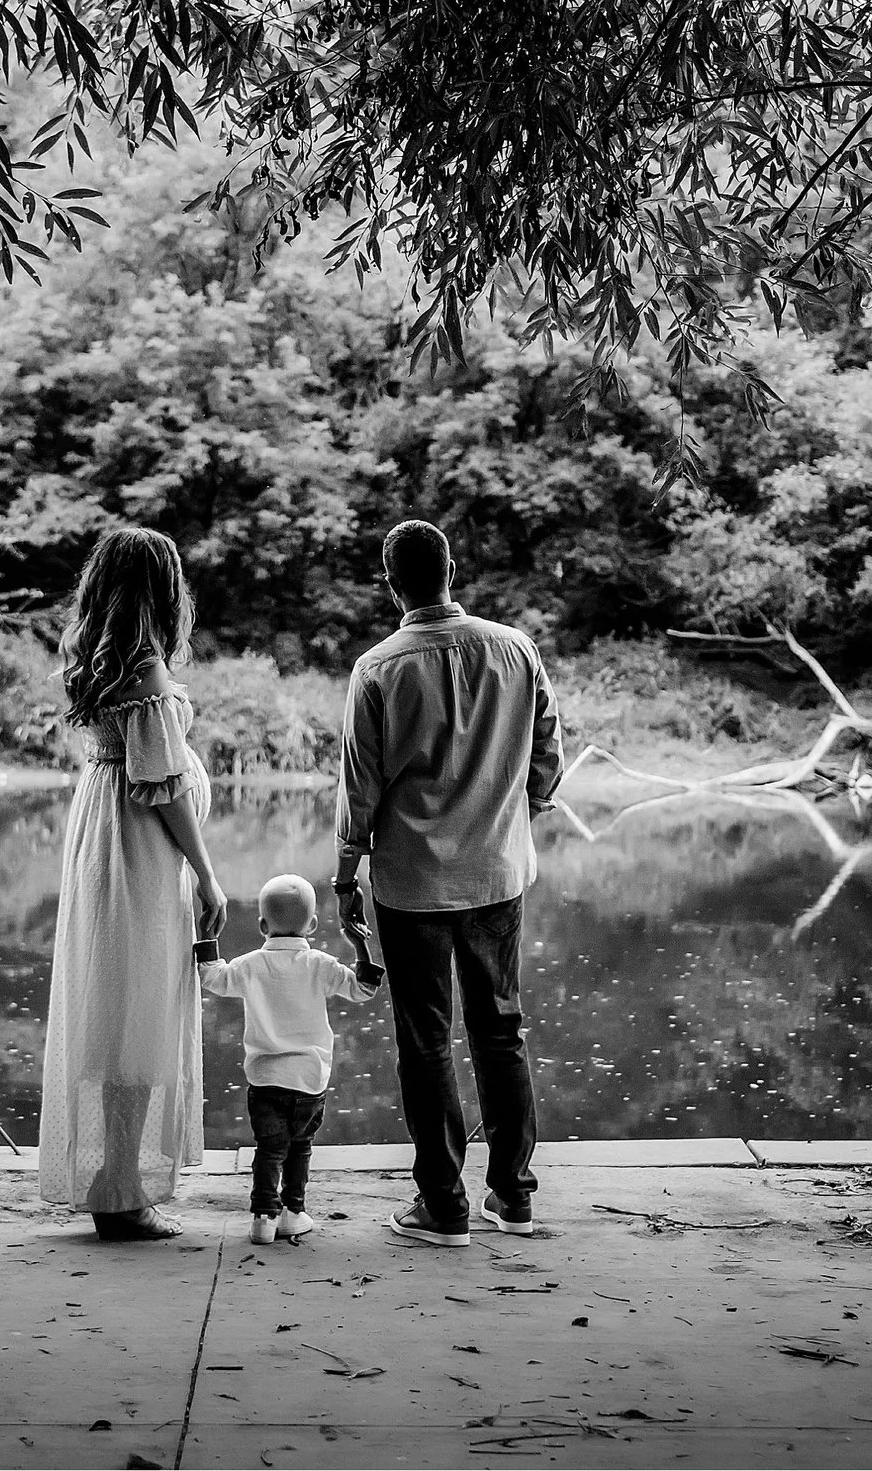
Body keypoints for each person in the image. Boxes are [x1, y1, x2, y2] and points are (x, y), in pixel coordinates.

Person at [334, 520, 564, 1247]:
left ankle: (443, 1206)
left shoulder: (377, 669)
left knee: (426, 1043)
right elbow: (549, 750)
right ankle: (514, 1198)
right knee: (502, 1032)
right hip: (497, 874)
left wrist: (345, 878)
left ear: (392, 585)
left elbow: (359, 791)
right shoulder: (517, 647)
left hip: (411, 887)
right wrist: (519, 812)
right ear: (452, 570)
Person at [37, 525, 229, 1241]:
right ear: (161, 588)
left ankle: (111, 1178)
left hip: (99, 838)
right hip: (140, 853)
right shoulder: (143, 670)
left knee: (112, 1006)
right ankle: (120, 1189)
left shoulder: (85, 654)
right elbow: (165, 784)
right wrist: (208, 875)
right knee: (140, 1012)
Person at [198, 874, 384, 1244]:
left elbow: (213, 978)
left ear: (262, 925)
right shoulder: (321, 964)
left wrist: (209, 933)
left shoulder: (250, 965)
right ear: (313, 925)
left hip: (265, 1081)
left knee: (269, 1152)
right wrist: (359, 945)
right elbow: (364, 989)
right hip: (309, 1081)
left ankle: (262, 1219)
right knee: (300, 1148)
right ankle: (292, 1212)